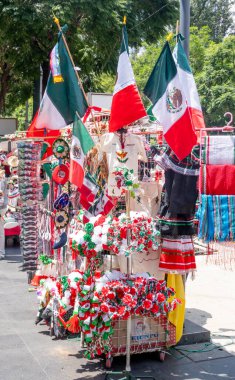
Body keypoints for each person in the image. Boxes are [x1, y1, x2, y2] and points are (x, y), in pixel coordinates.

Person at [0, 169, 8, 259]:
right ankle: (1, 252)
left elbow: (1, 198)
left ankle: (1, 253)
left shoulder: (2, 181)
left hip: (1, 208)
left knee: (0, 232)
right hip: (2, 207)